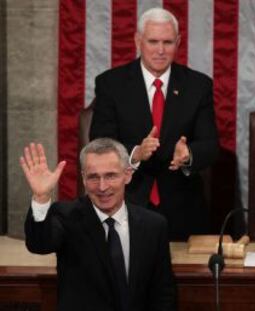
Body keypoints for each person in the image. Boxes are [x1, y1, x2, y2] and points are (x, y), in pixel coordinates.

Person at [89, 7, 219, 241]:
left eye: (168, 42)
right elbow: (100, 143)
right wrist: (135, 153)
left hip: (183, 208)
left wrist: (188, 154)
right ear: (138, 40)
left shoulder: (198, 86)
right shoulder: (111, 84)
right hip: (126, 201)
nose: (160, 50)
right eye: (153, 41)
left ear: (178, 42)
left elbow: (210, 145)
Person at [22, 138, 177, 311]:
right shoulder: (66, 216)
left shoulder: (154, 225)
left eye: (110, 176)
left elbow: (163, 293)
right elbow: (39, 244)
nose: (102, 187)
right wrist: (41, 197)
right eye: (93, 177)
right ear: (83, 179)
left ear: (127, 175)